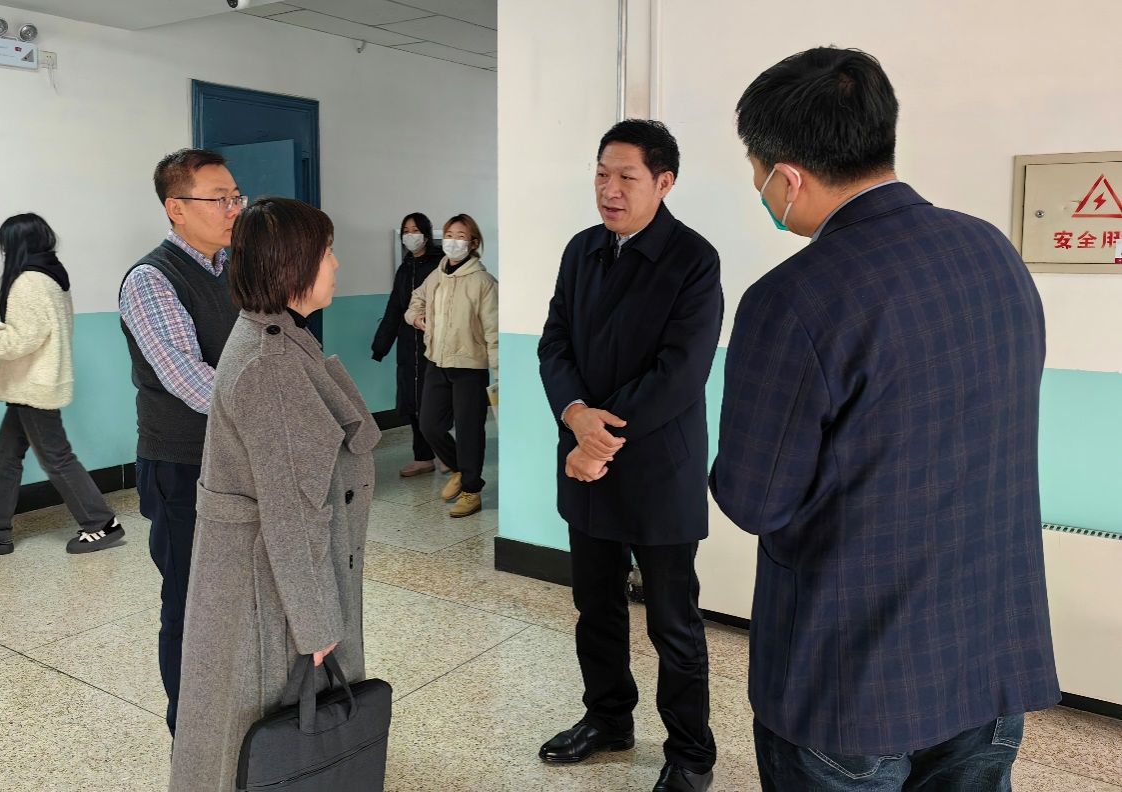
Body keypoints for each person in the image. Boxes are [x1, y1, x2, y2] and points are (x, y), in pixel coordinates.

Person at [710, 47, 1059, 791]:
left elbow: (753, 500)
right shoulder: (992, 253)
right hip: (989, 652)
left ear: (788, 178)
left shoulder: (793, 297)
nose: (759, 190)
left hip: (852, 678)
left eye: (756, 173)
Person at [537, 119, 723, 792]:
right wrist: (575, 416)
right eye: (601, 174)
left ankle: (691, 753)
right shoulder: (582, 250)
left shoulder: (693, 260)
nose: (609, 190)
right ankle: (609, 719)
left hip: (656, 469)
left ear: (664, 182)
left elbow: (680, 373)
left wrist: (598, 438)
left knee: (673, 622)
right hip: (585, 464)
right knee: (596, 608)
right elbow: (555, 342)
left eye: (626, 177)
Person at [170, 198, 379, 792]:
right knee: (265, 730)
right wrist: (316, 624)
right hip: (270, 589)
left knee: (241, 727)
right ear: (293, 267)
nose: (336, 265)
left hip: (260, 576)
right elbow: (291, 513)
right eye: (327, 253)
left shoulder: (277, 334)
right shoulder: (270, 364)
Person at [119, 148, 243, 735]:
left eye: (236, 197)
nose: (233, 209)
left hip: (234, 458)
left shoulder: (233, 268)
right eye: (219, 199)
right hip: (181, 466)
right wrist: (272, 413)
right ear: (176, 208)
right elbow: (190, 379)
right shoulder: (152, 279)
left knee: (233, 603)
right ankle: (190, 736)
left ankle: (236, 724)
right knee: (191, 604)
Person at [0, 214, 123, 557]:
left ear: (15, 244)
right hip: (32, 383)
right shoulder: (52, 276)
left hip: (33, 385)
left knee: (56, 457)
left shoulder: (29, 281)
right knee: (4, 457)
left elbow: (21, 341)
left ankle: (101, 522)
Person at [404, 214, 497, 518]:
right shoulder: (437, 276)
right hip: (437, 361)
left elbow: (493, 330)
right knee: (429, 424)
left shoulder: (483, 282)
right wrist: (416, 318)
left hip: (470, 366)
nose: (453, 241)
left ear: (473, 243)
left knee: (470, 431)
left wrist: (499, 371)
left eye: (460, 236)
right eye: (449, 235)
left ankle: (471, 490)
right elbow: (416, 300)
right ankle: (459, 469)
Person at [372, 212, 444, 476]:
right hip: (407, 345)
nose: (410, 236)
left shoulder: (440, 265)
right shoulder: (404, 269)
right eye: (406, 231)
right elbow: (394, 308)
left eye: (415, 230)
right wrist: (380, 345)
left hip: (434, 342)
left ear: (426, 234)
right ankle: (423, 458)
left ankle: (446, 453)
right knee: (412, 402)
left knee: (434, 401)